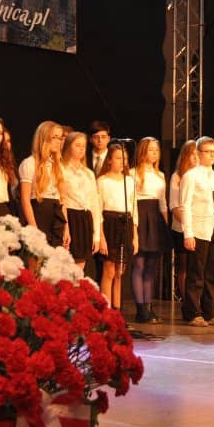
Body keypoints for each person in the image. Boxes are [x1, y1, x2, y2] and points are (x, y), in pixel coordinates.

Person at [180, 136, 214, 327]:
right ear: (198, 153)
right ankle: (193, 312)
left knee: (212, 274)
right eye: (207, 152)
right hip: (199, 230)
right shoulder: (190, 176)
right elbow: (185, 205)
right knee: (196, 274)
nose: (211, 155)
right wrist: (188, 233)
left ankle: (210, 311)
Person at [132, 137, 171, 323]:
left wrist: (165, 224)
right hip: (140, 215)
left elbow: (163, 202)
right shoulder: (132, 174)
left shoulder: (160, 175)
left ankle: (148, 307)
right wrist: (134, 226)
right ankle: (140, 309)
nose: (154, 153)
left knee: (151, 266)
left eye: (157, 150)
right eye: (151, 150)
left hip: (156, 218)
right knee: (139, 264)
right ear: (142, 152)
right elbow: (131, 201)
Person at [97, 143, 139, 311]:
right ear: (109, 160)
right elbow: (98, 210)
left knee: (120, 271)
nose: (122, 161)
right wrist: (101, 237)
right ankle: (105, 311)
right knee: (109, 271)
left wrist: (135, 235)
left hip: (125, 223)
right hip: (109, 223)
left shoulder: (129, 181)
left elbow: (133, 209)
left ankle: (117, 310)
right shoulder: (102, 181)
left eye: (125, 159)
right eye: (118, 158)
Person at [19, 121, 70, 248]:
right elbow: (25, 199)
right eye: (54, 137)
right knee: (37, 257)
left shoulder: (59, 167)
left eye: (60, 138)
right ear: (44, 138)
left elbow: (62, 200)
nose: (58, 141)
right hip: (38, 215)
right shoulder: (29, 163)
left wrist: (66, 228)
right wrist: (34, 229)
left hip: (56, 217)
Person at [60, 131, 101, 271]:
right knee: (65, 266)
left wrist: (96, 235)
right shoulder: (61, 169)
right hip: (70, 216)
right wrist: (65, 226)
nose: (81, 149)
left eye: (83, 146)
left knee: (79, 267)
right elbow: (61, 199)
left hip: (85, 218)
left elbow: (94, 204)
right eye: (77, 145)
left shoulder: (88, 173)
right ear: (68, 147)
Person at [168, 140, 198, 302]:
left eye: (197, 154)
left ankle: (197, 301)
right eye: (192, 154)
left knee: (197, 268)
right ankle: (186, 300)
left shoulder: (202, 176)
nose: (195, 158)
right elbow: (174, 206)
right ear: (185, 156)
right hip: (181, 228)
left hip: (200, 229)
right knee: (184, 266)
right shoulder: (177, 176)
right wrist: (188, 224)